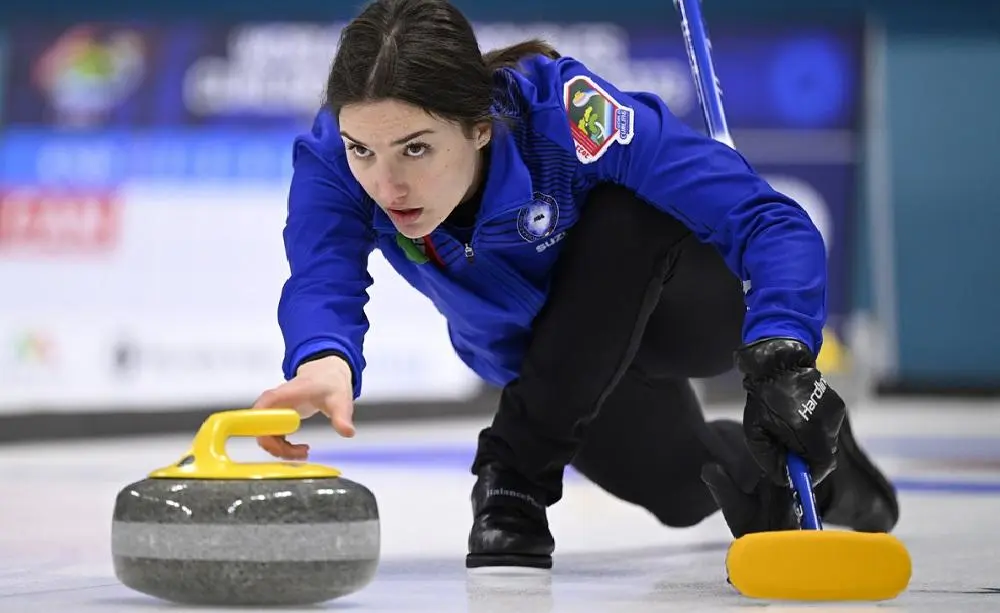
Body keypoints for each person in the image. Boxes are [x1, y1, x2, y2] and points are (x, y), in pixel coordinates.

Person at [252, 0, 899, 571]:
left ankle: (514, 475)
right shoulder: (332, 162)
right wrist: (324, 358)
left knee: (628, 213)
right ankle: (833, 471)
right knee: (680, 491)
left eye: (415, 149)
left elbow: (769, 218)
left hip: (684, 309)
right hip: (552, 367)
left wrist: (782, 352)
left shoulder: (566, 116)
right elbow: (322, 275)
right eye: (363, 149)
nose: (386, 183)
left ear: (479, 125)